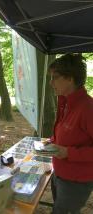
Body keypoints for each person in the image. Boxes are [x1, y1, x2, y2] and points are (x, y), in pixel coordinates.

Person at [48, 54, 93, 214]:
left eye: (55, 77)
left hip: (76, 181)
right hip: (59, 174)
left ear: (70, 79)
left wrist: (68, 153)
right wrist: (51, 141)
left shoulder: (88, 108)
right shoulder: (65, 102)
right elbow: (66, 134)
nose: (51, 82)